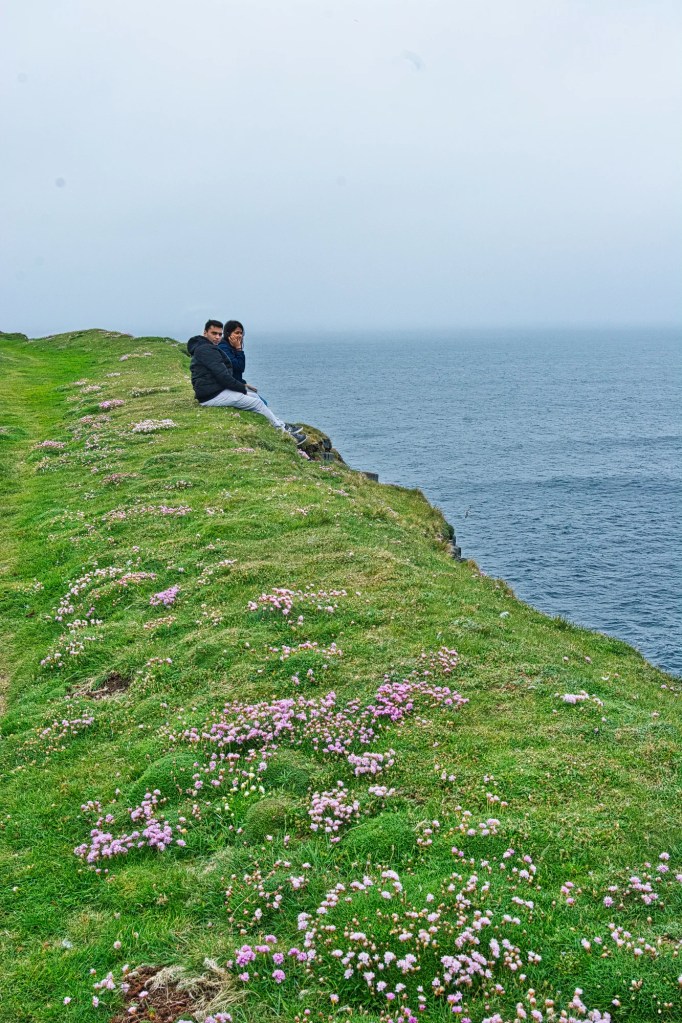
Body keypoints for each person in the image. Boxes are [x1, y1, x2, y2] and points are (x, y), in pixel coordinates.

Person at [187, 320, 306, 444]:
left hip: (213, 390)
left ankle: (281, 425)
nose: (217, 337)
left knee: (254, 396)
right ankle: (286, 436)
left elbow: (224, 374)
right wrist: (241, 388)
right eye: (214, 333)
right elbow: (223, 376)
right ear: (205, 333)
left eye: (219, 334)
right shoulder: (207, 350)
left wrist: (241, 387)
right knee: (257, 403)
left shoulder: (206, 347)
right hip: (210, 395)